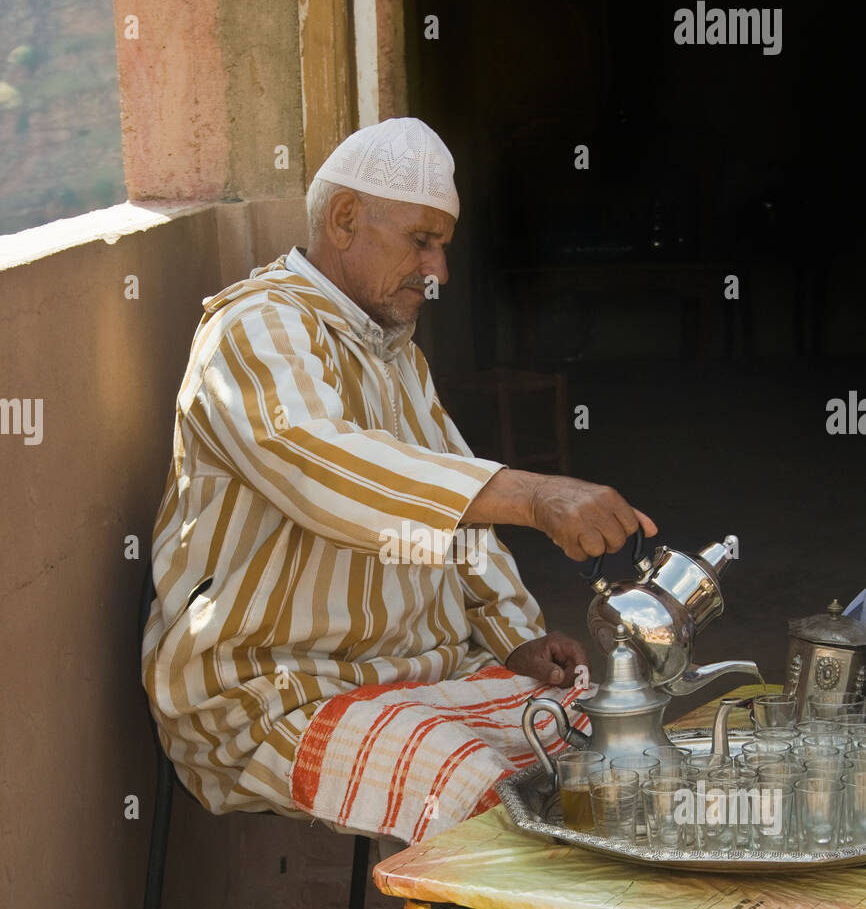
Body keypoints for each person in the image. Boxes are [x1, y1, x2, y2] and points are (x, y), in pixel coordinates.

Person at [142, 117, 655, 833]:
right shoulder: (256, 328)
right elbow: (330, 471)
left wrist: (513, 634)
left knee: (610, 751)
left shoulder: (393, 355)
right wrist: (534, 496)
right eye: (423, 241)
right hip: (268, 697)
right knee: (501, 812)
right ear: (346, 218)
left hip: (417, 674)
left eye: (443, 246)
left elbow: (451, 506)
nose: (439, 272)